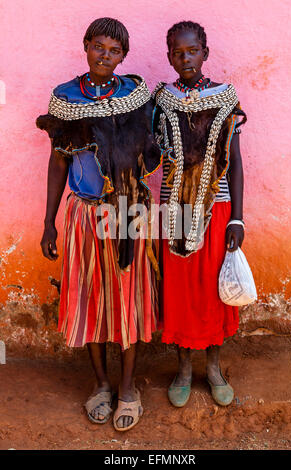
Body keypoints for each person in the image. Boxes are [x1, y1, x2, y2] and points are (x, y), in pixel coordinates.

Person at [36, 17, 161, 431]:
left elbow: (151, 149)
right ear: (86, 45)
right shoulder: (65, 98)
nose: (105, 56)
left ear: (123, 56)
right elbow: (59, 162)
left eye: (115, 51)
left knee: (128, 298)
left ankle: (128, 388)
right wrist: (49, 222)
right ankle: (101, 384)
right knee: (90, 298)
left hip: (130, 212)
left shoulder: (135, 94)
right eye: (99, 47)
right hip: (86, 213)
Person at [153, 21, 246, 407]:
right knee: (181, 289)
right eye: (177, 52)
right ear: (170, 56)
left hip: (216, 206)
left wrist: (237, 218)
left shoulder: (225, 98)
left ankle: (214, 367)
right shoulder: (160, 99)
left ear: (205, 53)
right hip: (173, 208)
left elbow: (235, 163)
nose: (185, 57)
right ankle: (184, 368)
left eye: (192, 50)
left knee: (211, 288)